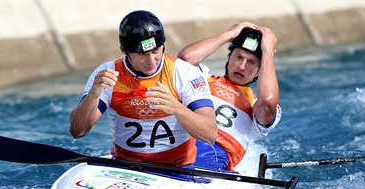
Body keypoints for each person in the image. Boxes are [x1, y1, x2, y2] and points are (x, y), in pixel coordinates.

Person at [69, 10, 217, 167]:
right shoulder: (108, 74)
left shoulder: (185, 73)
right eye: (142, 54)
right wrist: (93, 94)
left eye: (155, 51)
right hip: (126, 166)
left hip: (179, 168)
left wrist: (177, 108)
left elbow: (210, 134)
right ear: (124, 51)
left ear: (163, 46)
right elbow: (77, 131)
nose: (151, 61)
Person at [177, 22, 282, 172]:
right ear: (229, 56)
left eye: (251, 62)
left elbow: (268, 101)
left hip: (213, 157)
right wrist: (229, 35)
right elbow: (184, 59)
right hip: (180, 143)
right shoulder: (203, 78)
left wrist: (268, 52)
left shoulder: (255, 104)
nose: (241, 66)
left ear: (260, 70)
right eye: (238, 57)